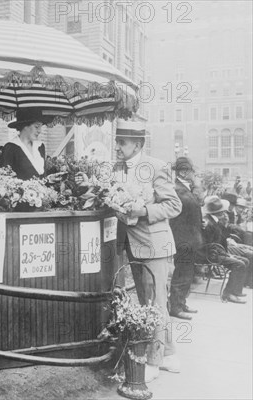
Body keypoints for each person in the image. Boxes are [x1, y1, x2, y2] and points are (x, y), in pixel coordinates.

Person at [112, 120, 182, 382]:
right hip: (133, 245)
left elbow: (174, 206)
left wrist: (144, 211)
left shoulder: (156, 166)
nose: (117, 147)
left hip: (156, 245)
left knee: (155, 304)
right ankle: (170, 355)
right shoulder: (117, 168)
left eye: (123, 143)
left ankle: (153, 362)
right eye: (117, 142)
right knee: (149, 301)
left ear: (138, 145)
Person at [168, 157, 205, 320]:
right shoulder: (178, 190)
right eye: (192, 171)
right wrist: (197, 185)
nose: (194, 174)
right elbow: (197, 202)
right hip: (183, 239)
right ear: (184, 172)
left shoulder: (184, 189)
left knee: (187, 273)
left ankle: (181, 303)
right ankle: (175, 307)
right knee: (182, 273)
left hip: (188, 238)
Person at [200, 195, 249, 303]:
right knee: (239, 264)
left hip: (216, 252)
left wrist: (226, 253)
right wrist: (226, 254)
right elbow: (210, 245)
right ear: (218, 212)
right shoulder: (208, 223)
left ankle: (235, 290)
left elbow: (221, 240)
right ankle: (228, 294)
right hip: (209, 255)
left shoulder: (216, 221)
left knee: (245, 261)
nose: (224, 213)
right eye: (222, 211)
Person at [1, 108, 49, 180]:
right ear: (24, 126)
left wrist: (49, 179)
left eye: (41, 127)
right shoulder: (11, 147)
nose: (40, 131)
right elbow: (6, 179)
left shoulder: (40, 146)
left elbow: (42, 178)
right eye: (36, 127)